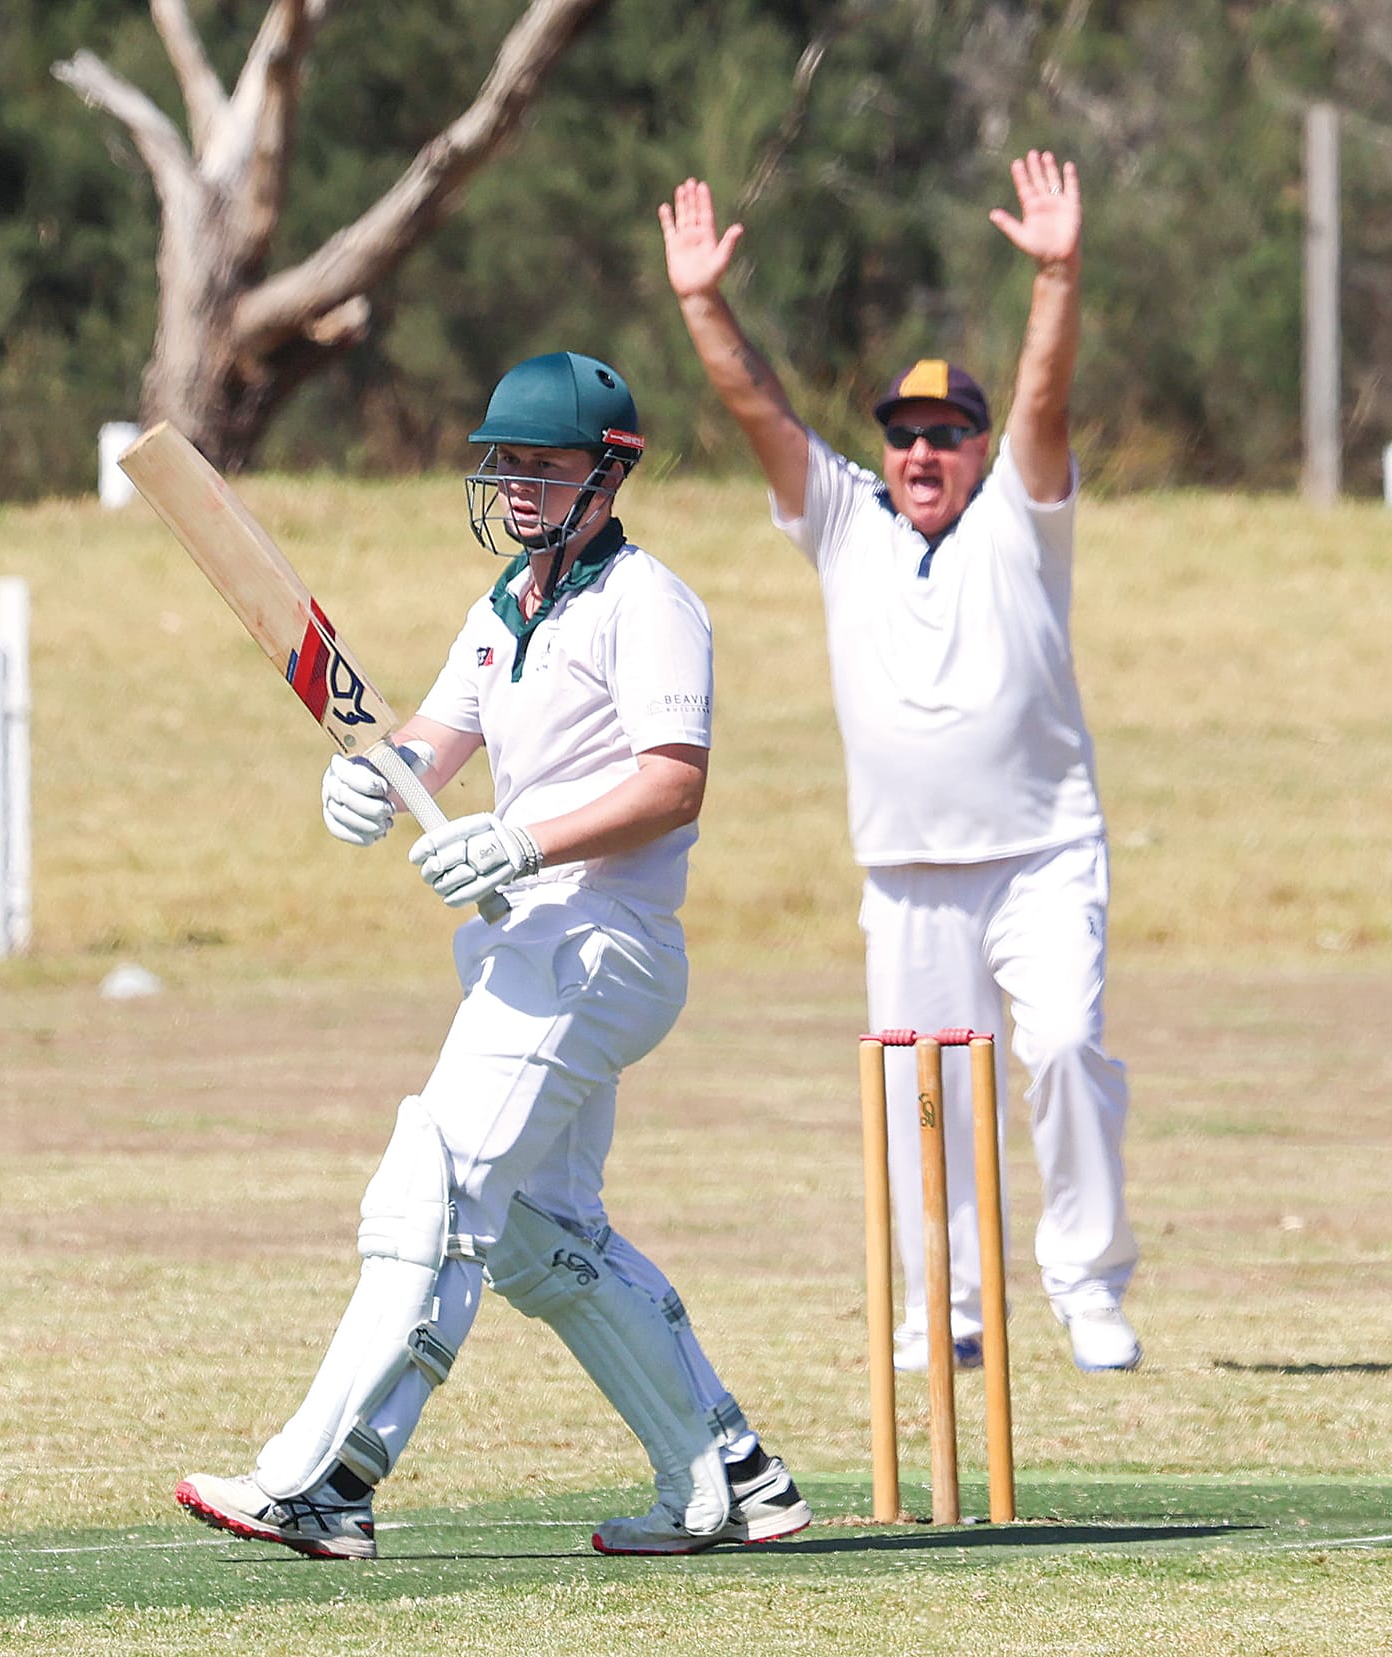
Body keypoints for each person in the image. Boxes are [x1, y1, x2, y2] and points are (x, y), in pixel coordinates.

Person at [174, 350, 811, 1557]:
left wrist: (522, 841)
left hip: (598, 943)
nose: (516, 483)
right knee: (537, 1234)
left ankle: (322, 1479)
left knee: (436, 1183)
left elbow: (673, 787)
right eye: (503, 461)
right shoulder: (504, 604)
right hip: (529, 945)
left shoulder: (648, 604)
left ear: (608, 472)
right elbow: (425, 740)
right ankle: (727, 1474)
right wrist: (372, 779)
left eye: (543, 463)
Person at [659, 152, 1141, 1374]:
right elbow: (759, 412)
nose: (922, 453)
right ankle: (948, 1313)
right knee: (919, 1107)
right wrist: (701, 303)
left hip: (1038, 854)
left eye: (945, 436)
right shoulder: (843, 523)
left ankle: (1085, 1281)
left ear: (978, 451)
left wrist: (1056, 275)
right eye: (904, 436)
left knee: (1066, 1046)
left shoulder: (1019, 521)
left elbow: (1044, 400)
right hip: (906, 872)